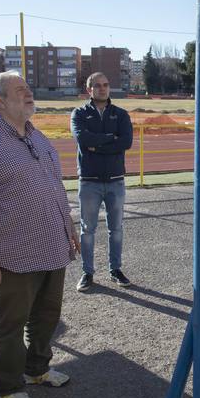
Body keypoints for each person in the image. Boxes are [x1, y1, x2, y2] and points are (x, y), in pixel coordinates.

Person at [0, 72, 80, 398]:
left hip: (52, 247)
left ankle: (37, 370)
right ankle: (8, 388)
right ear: (0, 100)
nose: (29, 93)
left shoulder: (38, 138)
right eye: (20, 90)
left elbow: (55, 189)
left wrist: (69, 228)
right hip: (11, 254)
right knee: (9, 323)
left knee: (46, 316)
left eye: (28, 88)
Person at [71, 72, 133, 291]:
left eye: (106, 85)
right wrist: (110, 138)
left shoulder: (121, 114)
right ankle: (87, 273)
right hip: (89, 181)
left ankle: (115, 269)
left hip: (115, 180)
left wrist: (96, 145)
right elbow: (83, 139)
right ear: (89, 90)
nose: (102, 89)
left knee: (116, 228)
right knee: (87, 230)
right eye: (97, 86)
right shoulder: (79, 114)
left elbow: (126, 142)